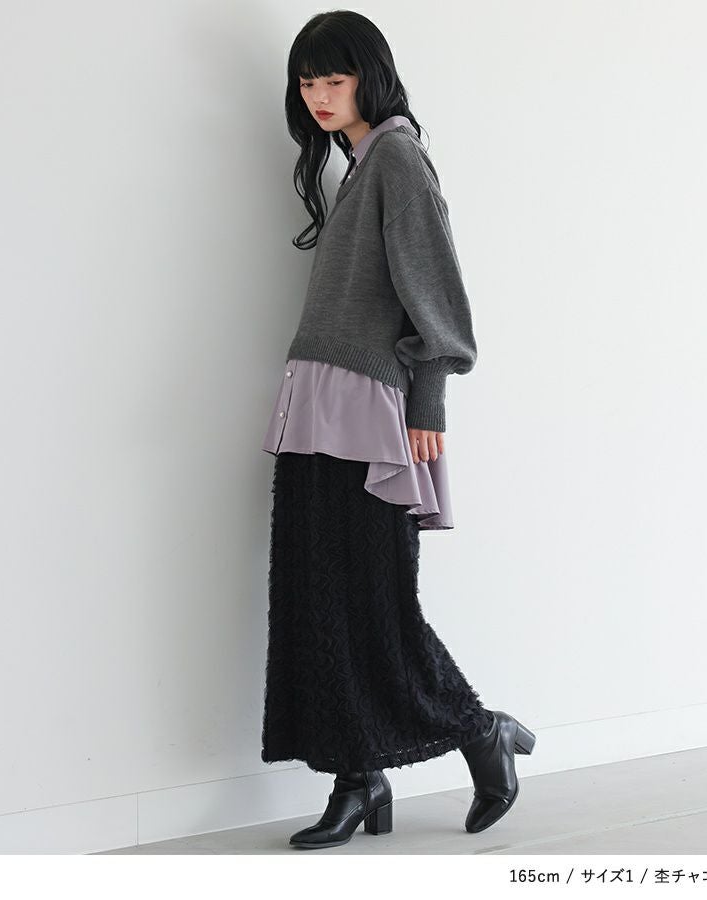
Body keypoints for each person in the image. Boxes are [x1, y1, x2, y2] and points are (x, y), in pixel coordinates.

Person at [260, 9, 536, 850]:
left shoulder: (398, 158)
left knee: (374, 605)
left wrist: (429, 404)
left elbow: (439, 296)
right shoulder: (358, 164)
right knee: (317, 601)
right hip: (318, 407)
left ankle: (480, 730)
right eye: (307, 82)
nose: (319, 96)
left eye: (334, 79)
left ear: (369, 78)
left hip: (368, 416)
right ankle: (358, 778)